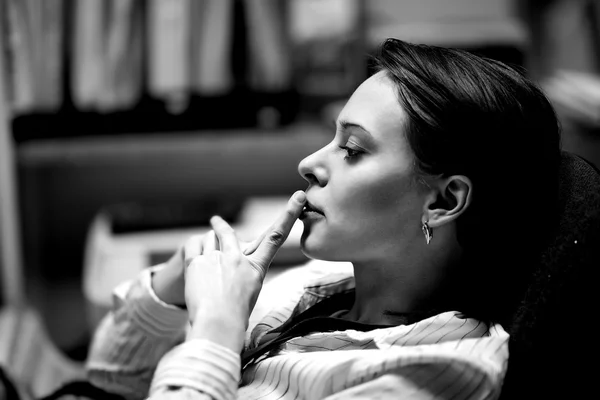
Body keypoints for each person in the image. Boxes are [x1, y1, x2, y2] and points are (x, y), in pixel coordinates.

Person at [84, 38, 561, 400]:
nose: (309, 163)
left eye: (352, 149)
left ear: (442, 202)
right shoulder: (314, 286)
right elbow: (110, 380)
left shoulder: (434, 373)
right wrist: (168, 293)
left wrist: (214, 332)